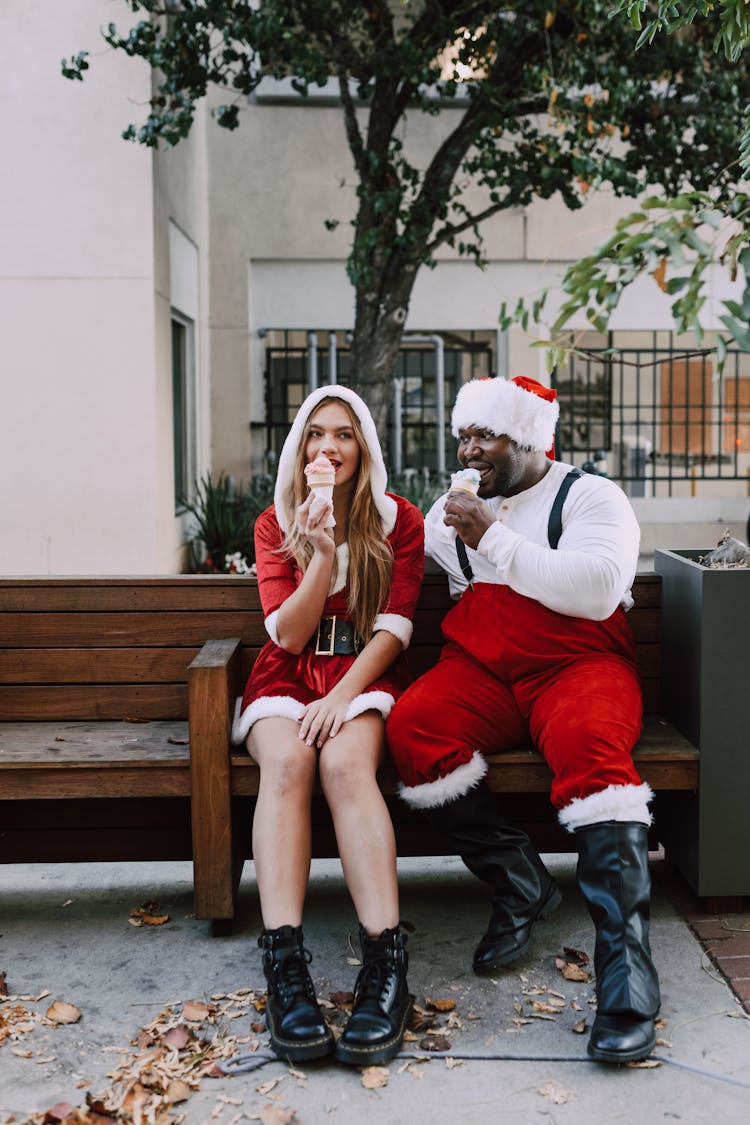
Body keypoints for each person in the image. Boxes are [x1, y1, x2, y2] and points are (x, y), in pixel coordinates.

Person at [386, 375, 660, 1065]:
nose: (471, 449)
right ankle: (519, 879)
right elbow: (407, 555)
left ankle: (626, 970)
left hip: (578, 664)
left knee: (589, 745)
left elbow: (598, 590)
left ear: (529, 437)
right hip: (485, 668)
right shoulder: (456, 507)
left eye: (486, 436)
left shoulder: (589, 496)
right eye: (465, 436)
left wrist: (493, 538)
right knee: (414, 723)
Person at [231, 385, 424, 1066]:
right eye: (316, 434)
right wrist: (318, 552)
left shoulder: (397, 520)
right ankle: (286, 966)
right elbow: (284, 634)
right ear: (300, 448)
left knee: (345, 765)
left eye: (343, 434)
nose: (328, 448)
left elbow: (396, 627)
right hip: (287, 674)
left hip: (361, 673)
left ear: (362, 447)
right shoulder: (274, 522)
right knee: (288, 764)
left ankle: (386, 968)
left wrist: (345, 694)